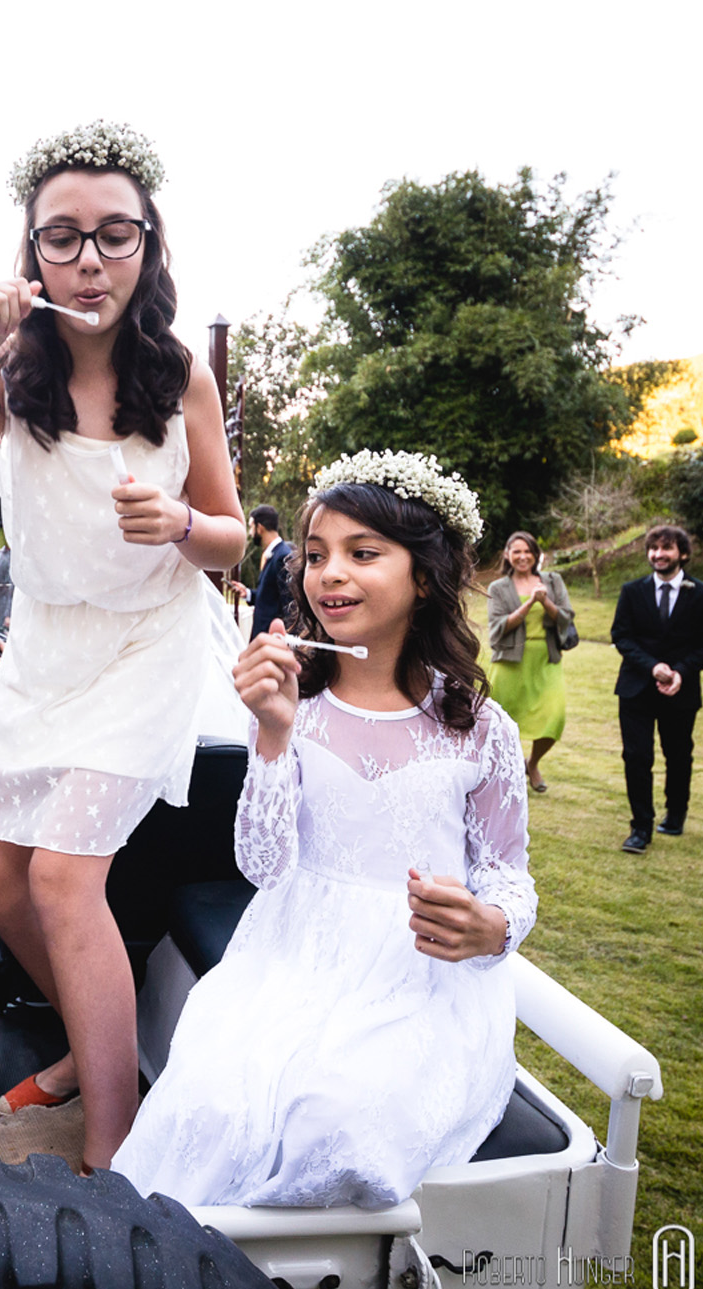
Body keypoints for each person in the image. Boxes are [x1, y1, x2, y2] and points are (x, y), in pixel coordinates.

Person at [0, 123, 246, 1171]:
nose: (88, 260)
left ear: (148, 246)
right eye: (62, 238)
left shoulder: (179, 376)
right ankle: (108, 1052)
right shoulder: (7, 371)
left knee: (59, 881)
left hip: (149, 642)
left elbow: (226, 532)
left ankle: (110, 1148)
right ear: (29, 253)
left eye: (113, 235)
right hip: (45, 648)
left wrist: (179, 525)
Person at [112, 450, 536, 1208]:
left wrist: (493, 923)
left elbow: (508, 872)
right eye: (315, 556)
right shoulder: (295, 707)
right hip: (292, 949)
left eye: (361, 553)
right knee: (213, 1103)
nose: (328, 573)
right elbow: (264, 863)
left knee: (337, 1125)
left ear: (426, 575)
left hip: (420, 975)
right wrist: (272, 737)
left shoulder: (481, 729)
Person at [611, 523, 703, 853]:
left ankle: (676, 814)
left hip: (681, 690)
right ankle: (640, 828)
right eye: (654, 548)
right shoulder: (632, 591)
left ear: (682, 553)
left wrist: (681, 672)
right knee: (636, 757)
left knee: (677, 755)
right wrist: (652, 666)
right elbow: (622, 636)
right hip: (635, 688)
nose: (658, 554)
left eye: (666, 548)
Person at [486, 531, 576, 794]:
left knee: (554, 717)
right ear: (507, 555)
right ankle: (504, 772)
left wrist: (545, 600)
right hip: (510, 663)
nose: (523, 556)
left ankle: (532, 763)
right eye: (517, 551)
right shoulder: (498, 588)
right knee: (500, 723)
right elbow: (497, 628)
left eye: (528, 551)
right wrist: (526, 607)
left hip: (546, 660)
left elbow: (566, 618)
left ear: (536, 555)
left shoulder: (553, 581)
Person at [229, 505, 294, 640]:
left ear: (260, 527)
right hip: (262, 636)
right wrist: (247, 593)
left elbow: (288, 602)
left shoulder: (282, 556)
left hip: (272, 637)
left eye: (251, 527)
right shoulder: (274, 554)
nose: (251, 533)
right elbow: (270, 598)